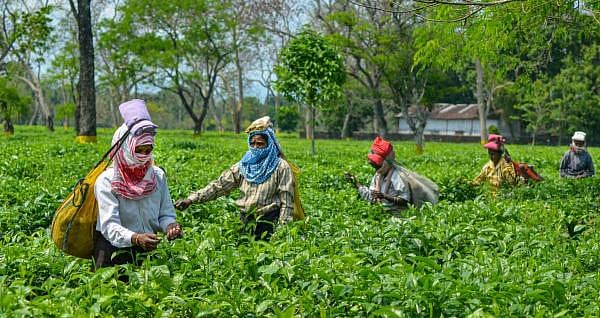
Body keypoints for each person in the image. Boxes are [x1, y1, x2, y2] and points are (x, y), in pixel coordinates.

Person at [93, 99, 182, 271]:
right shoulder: (107, 181)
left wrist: (170, 226)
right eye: (138, 150)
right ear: (125, 148)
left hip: (147, 251)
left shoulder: (157, 176)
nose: (143, 156)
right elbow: (109, 226)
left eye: (148, 151)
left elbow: (165, 214)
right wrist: (134, 238)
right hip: (113, 253)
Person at [174, 116, 294, 241]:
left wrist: (280, 232)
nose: (256, 147)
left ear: (269, 144)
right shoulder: (244, 165)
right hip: (245, 221)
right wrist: (190, 200)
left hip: (269, 223)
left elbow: (287, 203)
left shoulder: (281, 167)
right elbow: (219, 186)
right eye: (252, 143)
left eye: (260, 144)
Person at [345, 136, 438, 214]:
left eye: (378, 164)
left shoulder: (397, 177)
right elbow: (372, 197)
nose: (376, 167)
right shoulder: (378, 176)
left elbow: (405, 201)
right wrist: (355, 183)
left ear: (386, 162)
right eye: (374, 165)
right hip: (380, 214)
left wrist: (384, 196)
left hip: (397, 217)